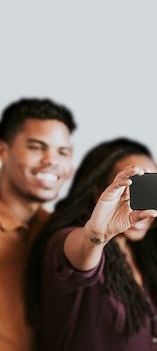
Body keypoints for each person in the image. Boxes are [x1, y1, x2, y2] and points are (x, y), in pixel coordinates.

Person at [25, 137, 157, 351]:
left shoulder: (152, 258)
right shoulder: (67, 240)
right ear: (99, 193)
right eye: (134, 188)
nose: (145, 203)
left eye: (152, 190)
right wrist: (96, 235)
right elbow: (80, 255)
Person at [0, 97, 76, 351]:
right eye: (36, 147)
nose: (51, 160)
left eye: (62, 152)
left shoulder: (59, 233)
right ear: (3, 152)